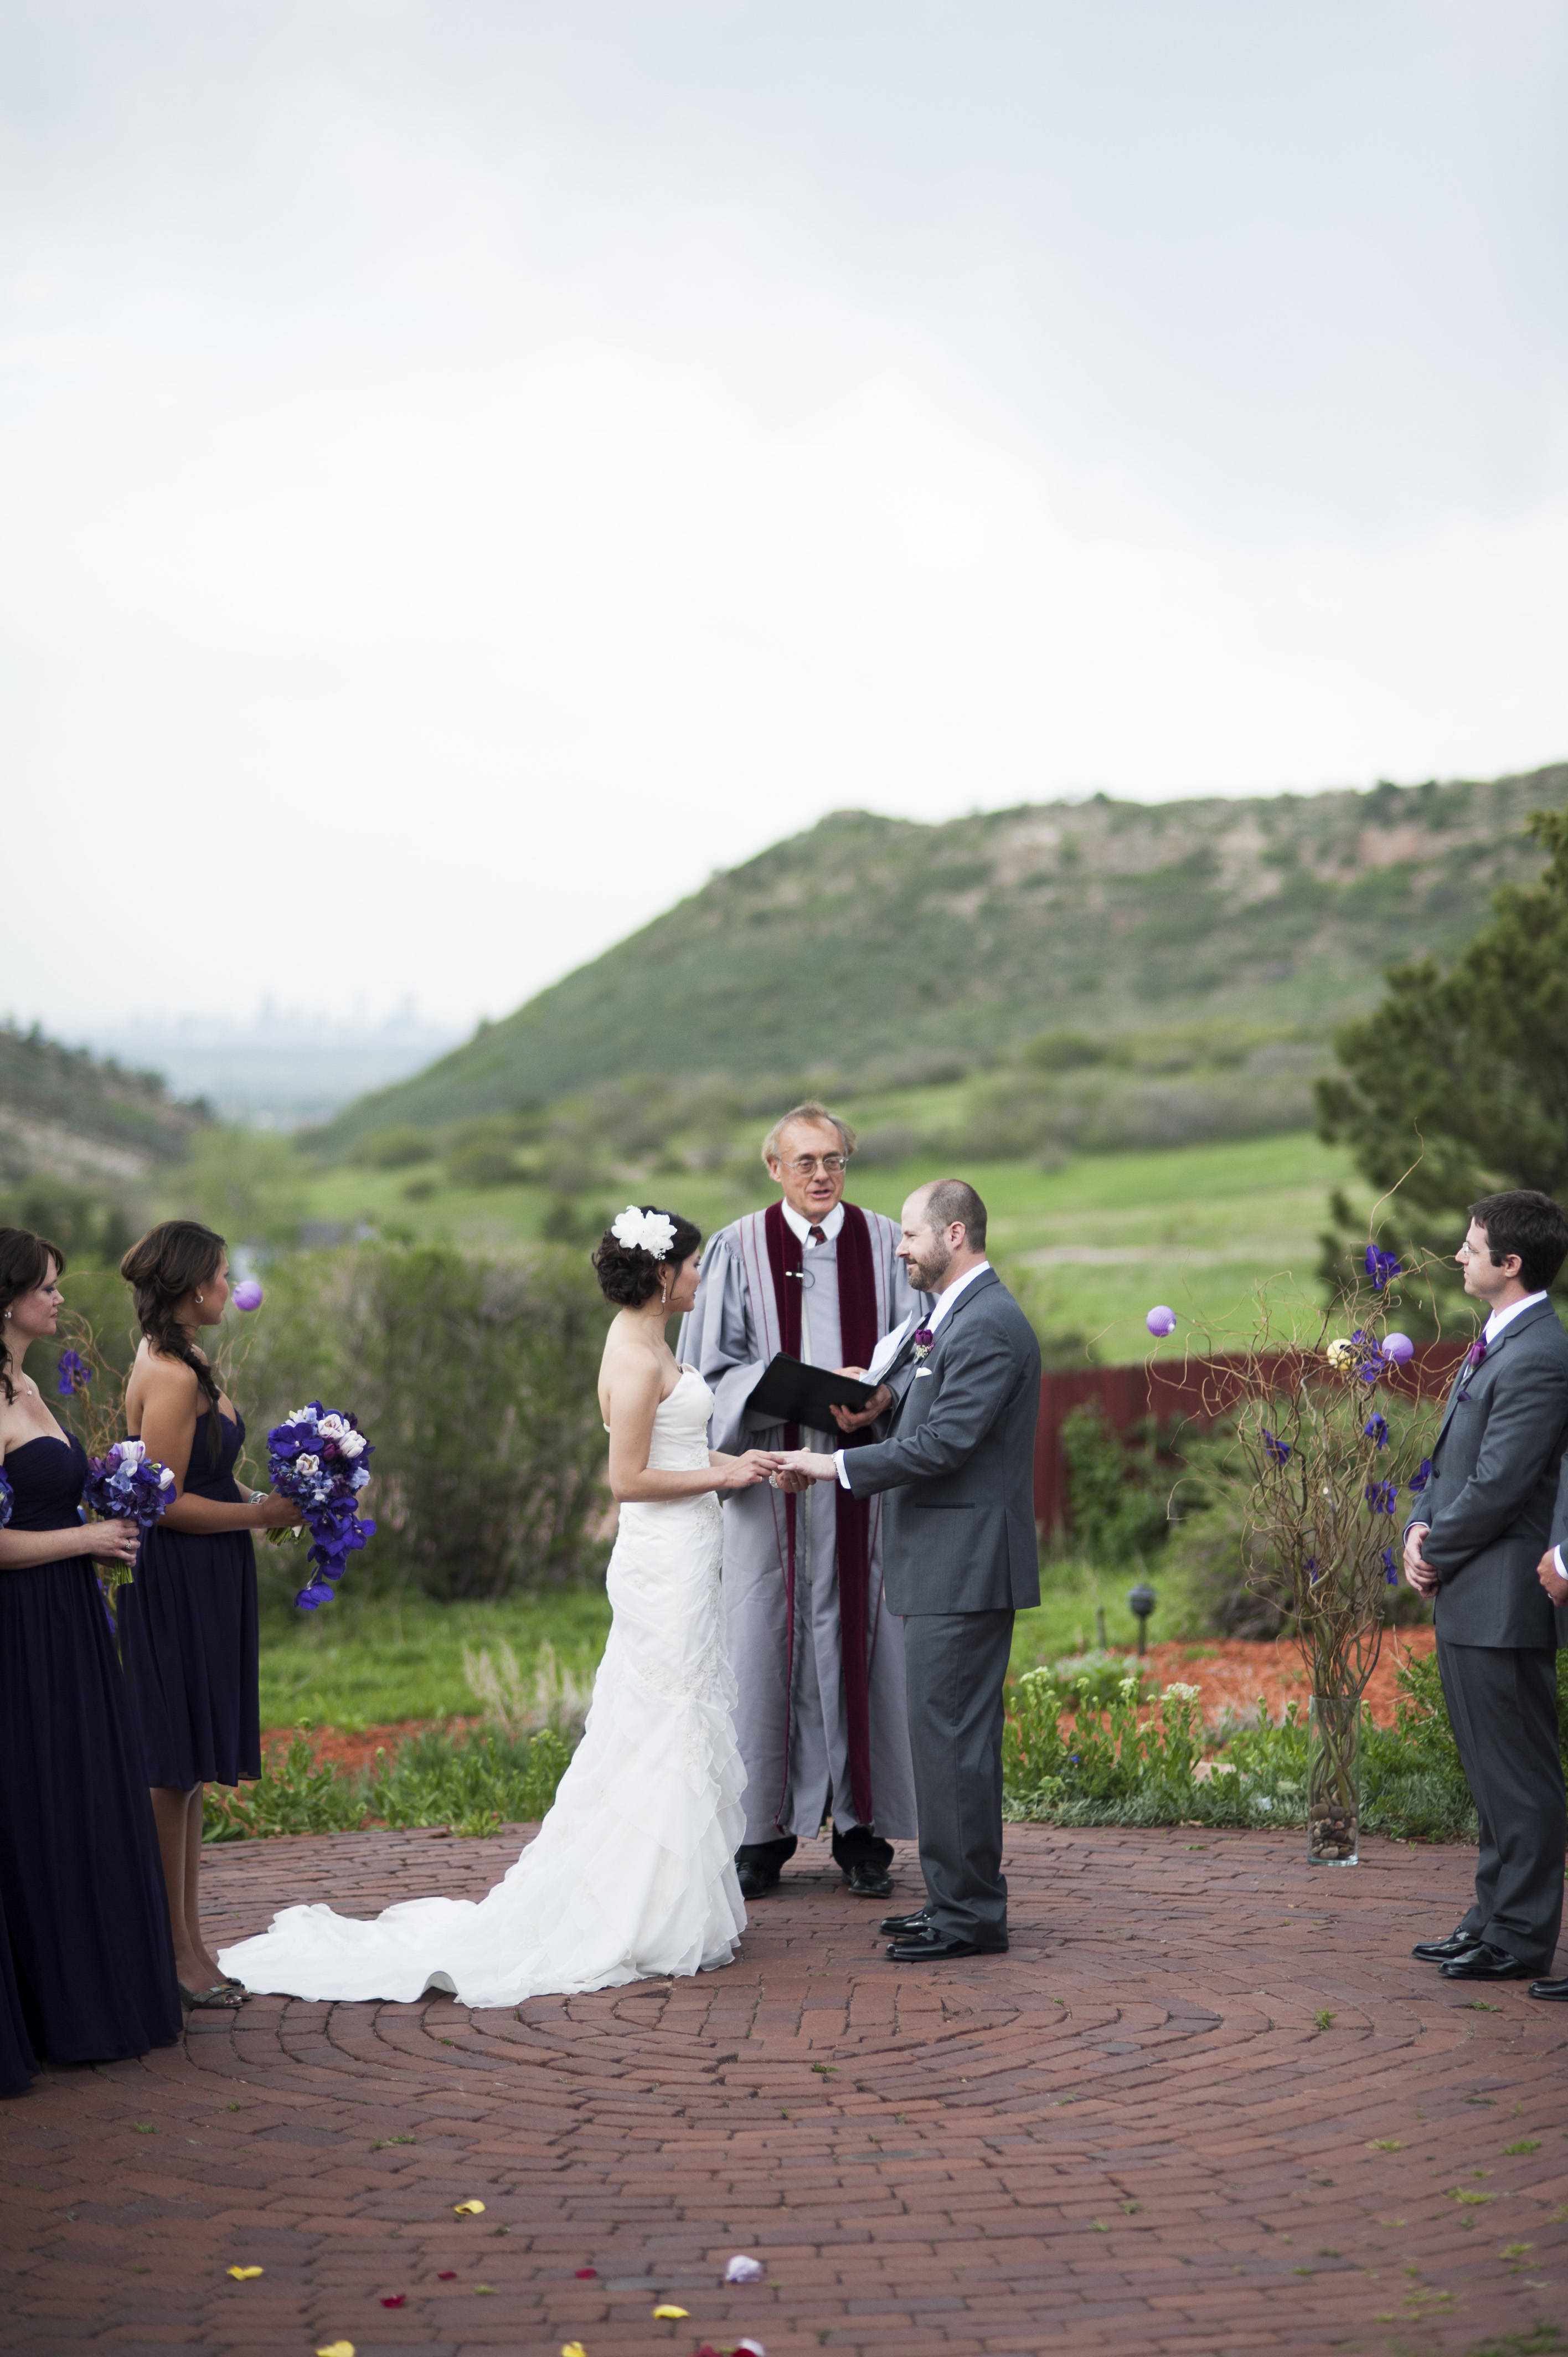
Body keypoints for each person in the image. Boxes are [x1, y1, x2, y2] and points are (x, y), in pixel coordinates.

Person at [219, 1205, 782, 2006]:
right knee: (664, 1720)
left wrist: (740, 1461)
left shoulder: (657, 1341)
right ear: (663, 1272)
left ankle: (671, 1900)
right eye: (692, 1264)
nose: (699, 1276)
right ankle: (638, 1912)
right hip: (662, 1561)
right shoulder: (632, 1354)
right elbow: (627, 1480)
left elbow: (678, 1449)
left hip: (689, 1553)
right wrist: (722, 1478)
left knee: (674, 1717)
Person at [777, 1179, 1040, 1961]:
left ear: (954, 1235)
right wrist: (878, 1397)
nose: (899, 1250)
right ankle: (952, 1900)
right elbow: (923, 1411)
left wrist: (832, 1467)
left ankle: (969, 1917)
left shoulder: (987, 1324)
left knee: (954, 1743)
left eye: (910, 1235)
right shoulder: (950, 1318)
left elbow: (945, 1445)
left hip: (964, 1567)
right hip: (942, 1565)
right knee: (942, 1741)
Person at [679, 1101, 926, 1903]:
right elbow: (707, 1373)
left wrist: (881, 1395)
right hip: (770, 1479)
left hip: (860, 1485)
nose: (822, 1176)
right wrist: (780, 1396)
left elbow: (923, 1351)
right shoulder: (738, 1248)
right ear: (775, 1168)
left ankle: (862, 1832)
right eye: (806, 1162)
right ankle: (763, 1833)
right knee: (763, 1641)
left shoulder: (888, 1245)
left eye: (835, 1160)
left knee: (866, 1642)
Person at [0, 1228, 183, 2060]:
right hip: (22, 1630)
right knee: (36, 1799)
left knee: (81, 1796)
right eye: (47, 1286)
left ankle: (92, 1997)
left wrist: (101, 1530)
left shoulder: (29, 1384)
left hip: (68, 1616)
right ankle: (49, 2011)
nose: (59, 1298)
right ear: (6, 1298)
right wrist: (87, 1539)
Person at [117, 1220, 303, 2008]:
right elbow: (164, 1505)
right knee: (171, 1769)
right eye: (223, 1275)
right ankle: (170, 1955)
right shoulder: (169, 1374)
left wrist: (286, 1496)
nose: (231, 1286)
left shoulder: (187, 1359)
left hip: (212, 1574)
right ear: (195, 1287)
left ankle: (192, 1942)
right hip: (179, 1579)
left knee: (190, 1769)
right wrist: (261, 1516)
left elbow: (204, 1480)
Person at [1403, 1190, 1568, 1990]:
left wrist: (1435, 1551)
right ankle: (1491, 1917)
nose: (1458, 1257)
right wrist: (1417, 1524)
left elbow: (1502, 1483)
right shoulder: (1498, 1338)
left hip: (1503, 1598)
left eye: (1471, 1248)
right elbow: (1453, 1462)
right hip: (1470, 1591)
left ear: (1511, 1264)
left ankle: (1521, 1935)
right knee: (1488, 1773)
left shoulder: (1541, 1354)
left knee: (1520, 1778)